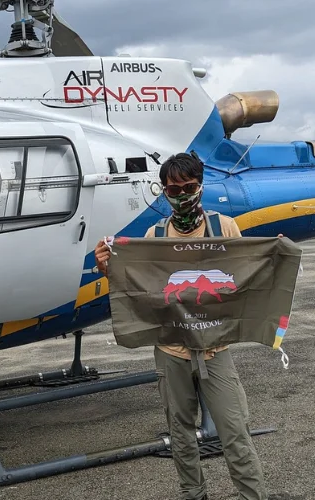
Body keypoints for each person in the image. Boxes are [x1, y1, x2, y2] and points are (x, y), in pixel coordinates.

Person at [94, 153, 270, 500]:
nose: (181, 194)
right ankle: (193, 493)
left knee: (234, 431)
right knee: (181, 432)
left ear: (200, 185)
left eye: (188, 187)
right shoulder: (154, 235)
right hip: (172, 350)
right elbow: (141, 288)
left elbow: (244, 277)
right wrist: (108, 268)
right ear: (164, 191)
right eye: (172, 189)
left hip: (215, 349)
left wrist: (272, 255)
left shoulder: (225, 228)